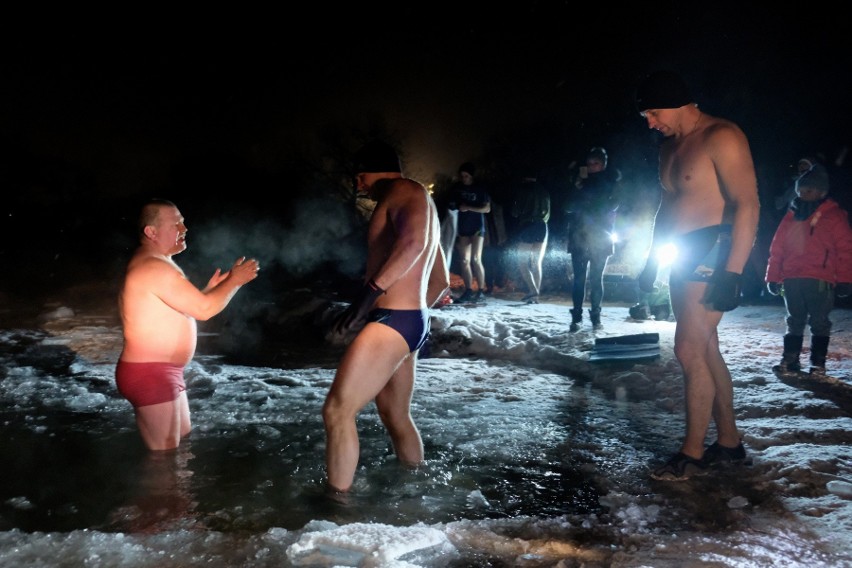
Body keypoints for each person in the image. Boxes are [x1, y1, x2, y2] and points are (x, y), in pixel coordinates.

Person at [634, 70, 760, 481]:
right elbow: (667, 205)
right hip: (682, 253)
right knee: (704, 348)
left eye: (653, 111)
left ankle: (691, 454)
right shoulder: (670, 148)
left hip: (714, 248)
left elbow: (748, 204)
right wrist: (652, 259)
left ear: (679, 102)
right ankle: (729, 443)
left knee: (688, 349)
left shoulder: (722, 136)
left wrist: (734, 271)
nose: (650, 121)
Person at [324, 140, 450, 493]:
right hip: (408, 321)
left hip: (393, 321)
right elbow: (439, 277)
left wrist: (368, 301)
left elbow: (413, 245)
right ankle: (416, 487)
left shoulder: (403, 190)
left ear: (369, 171)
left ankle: (336, 505)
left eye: (359, 177)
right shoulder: (423, 203)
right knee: (395, 416)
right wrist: (412, 313)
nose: (359, 185)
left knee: (337, 411)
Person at [116, 198, 259, 451]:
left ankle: (172, 491)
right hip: (150, 373)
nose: (184, 230)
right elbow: (204, 309)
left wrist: (212, 290)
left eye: (183, 223)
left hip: (162, 371)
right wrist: (235, 281)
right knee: (164, 460)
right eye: (177, 224)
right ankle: (149, 491)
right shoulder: (153, 267)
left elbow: (185, 307)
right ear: (152, 232)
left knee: (180, 447)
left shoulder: (157, 261)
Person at [764, 163, 852, 377]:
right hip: (792, 278)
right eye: (801, 190)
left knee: (819, 322)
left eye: (809, 190)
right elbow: (777, 248)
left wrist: (845, 279)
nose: (804, 194)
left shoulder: (834, 216)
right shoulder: (791, 216)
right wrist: (773, 276)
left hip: (820, 280)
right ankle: (790, 360)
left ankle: (818, 364)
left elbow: (845, 249)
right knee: (794, 320)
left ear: (821, 191)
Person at [565, 146, 622, 331]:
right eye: (589, 163)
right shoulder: (580, 181)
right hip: (579, 235)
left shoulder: (612, 183)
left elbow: (612, 206)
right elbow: (568, 206)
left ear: (604, 164)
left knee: (596, 279)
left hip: (600, 236)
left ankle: (596, 316)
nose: (591, 166)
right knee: (579, 279)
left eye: (595, 163)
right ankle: (577, 317)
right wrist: (576, 185)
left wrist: (587, 201)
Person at [448, 162, 491, 303]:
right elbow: (452, 204)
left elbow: (487, 209)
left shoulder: (480, 189)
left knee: (476, 259)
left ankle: (481, 290)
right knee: (464, 260)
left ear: (472, 176)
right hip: (463, 227)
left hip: (477, 227)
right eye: (462, 176)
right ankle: (468, 290)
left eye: (466, 175)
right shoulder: (457, 188)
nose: (464, 178)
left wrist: (468, 207)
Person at [510, 168, 550, 304]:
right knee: (536, 263)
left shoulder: (523, 190)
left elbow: (515, 211)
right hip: (542, 226)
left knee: (522, 262)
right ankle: (535, 297)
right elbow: (548, 212)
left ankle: (533, 290)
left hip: (527, 226)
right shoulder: (544, 191)